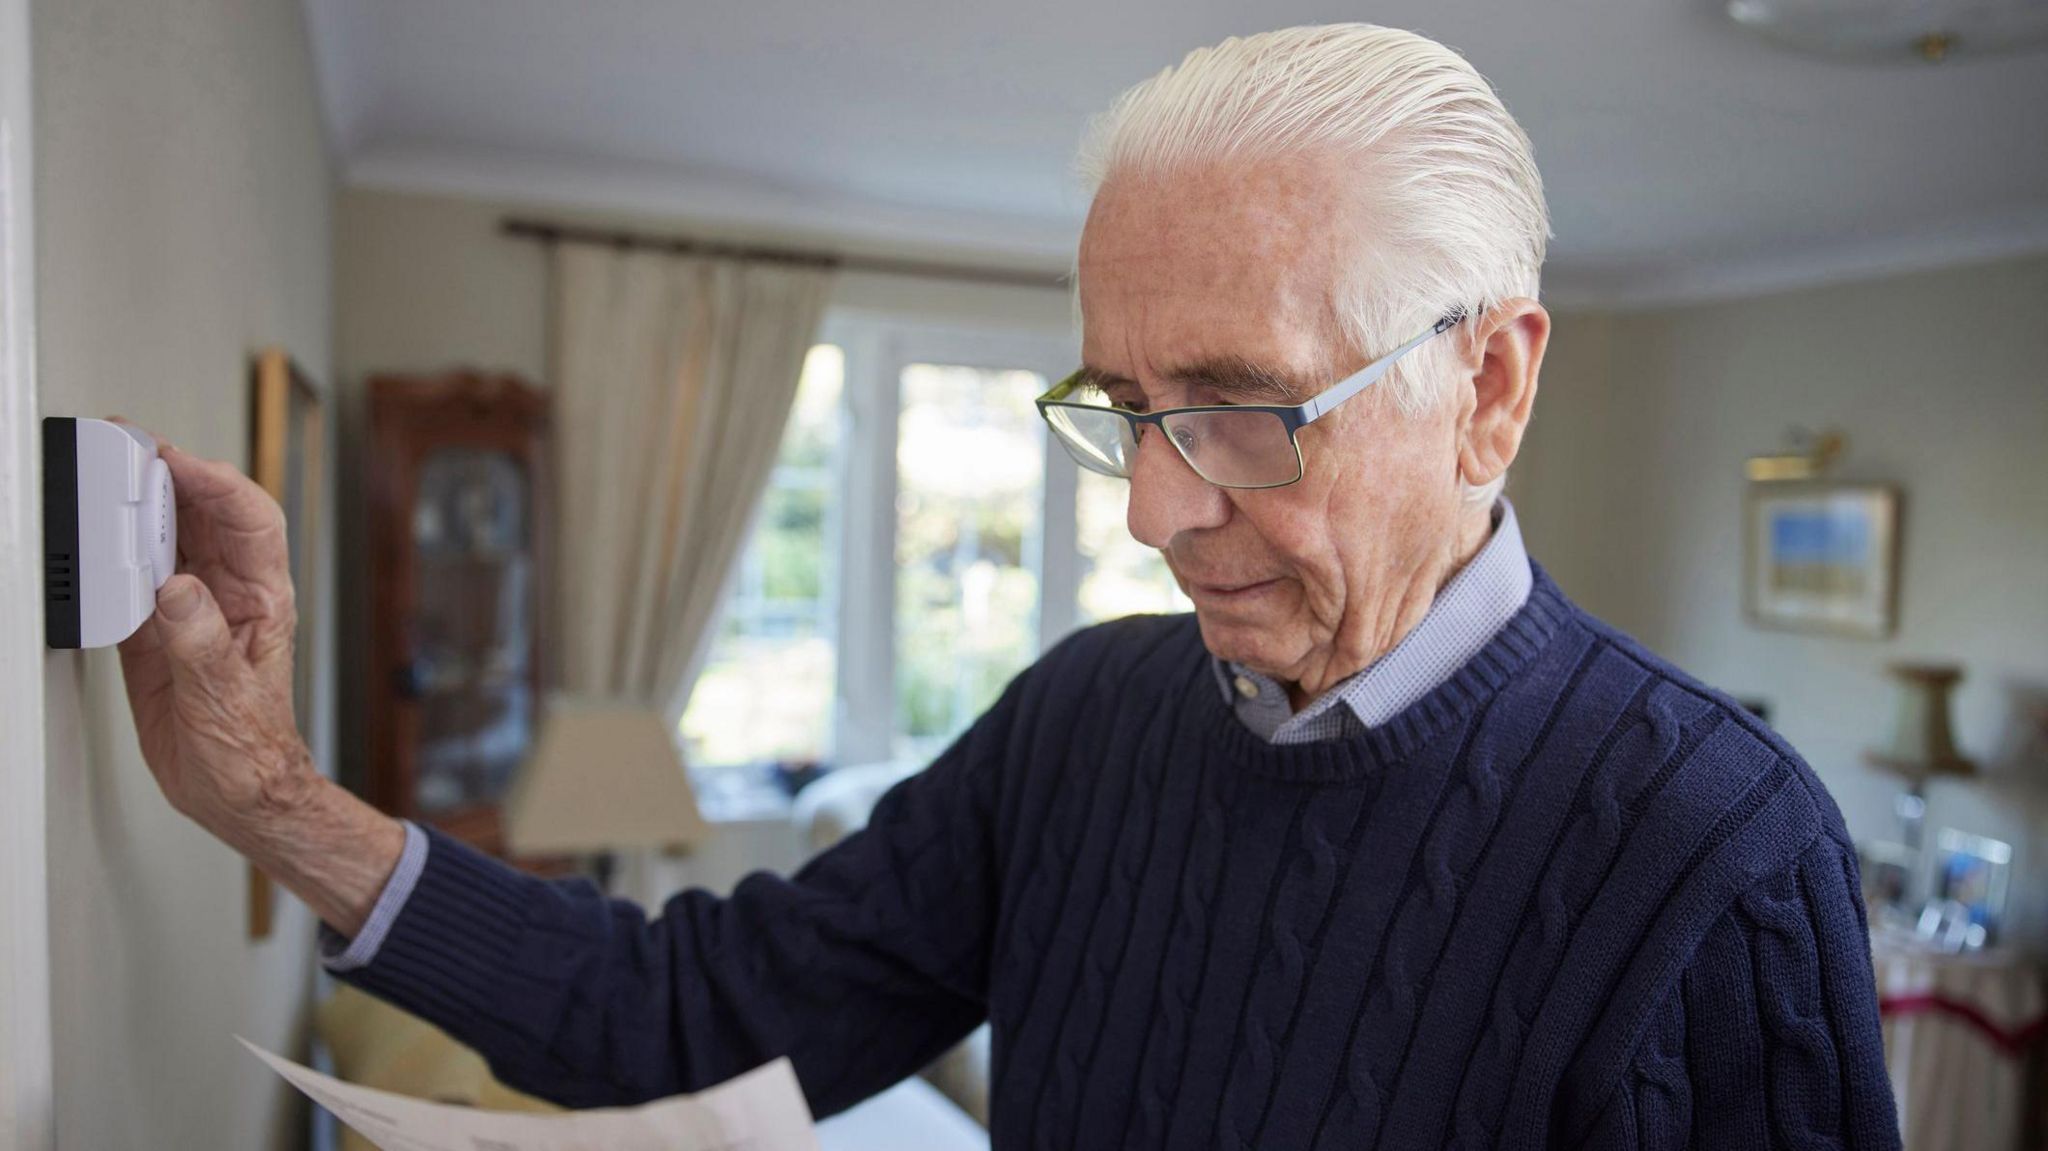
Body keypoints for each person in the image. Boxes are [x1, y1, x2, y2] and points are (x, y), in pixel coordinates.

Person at [120, 24, 1899, 1149]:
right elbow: (688, 1014)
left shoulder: (1720, 861)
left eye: (1243, 412)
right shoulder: (1084, 721)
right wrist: (267, 796)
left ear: (1491, 388)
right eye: (1122, 411)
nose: (1149, 510)